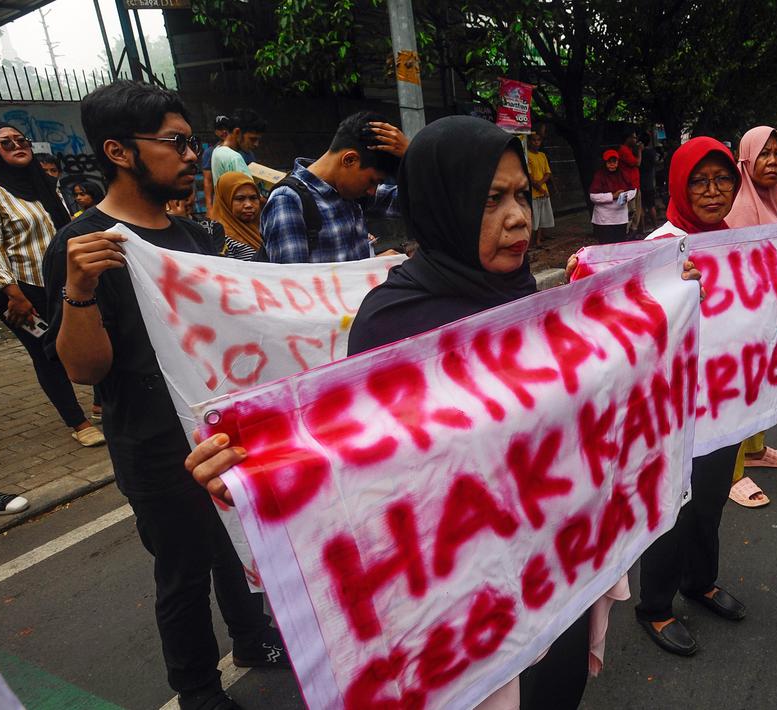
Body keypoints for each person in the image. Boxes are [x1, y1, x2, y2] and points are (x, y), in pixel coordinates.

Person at [188, 115, 638, 710]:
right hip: (463, 593)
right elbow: (357, 466)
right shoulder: (392, 323)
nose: (518, 218)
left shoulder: (527, 298)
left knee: (558, 688)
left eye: (521, 195)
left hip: (555, 559)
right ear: (442, 204)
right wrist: (259, 480)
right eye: (491, 200)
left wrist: (660, 310)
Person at [42, 81, 288, 710]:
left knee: (233, 547)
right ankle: (198, 691)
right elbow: (85, 369)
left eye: (191, 141)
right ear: (119, 151)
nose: (191, 155)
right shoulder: (82, 246)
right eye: (176, 142)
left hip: (216, 435)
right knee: (183, 573)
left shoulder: (196, 237)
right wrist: (79, 290)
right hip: (151, 445)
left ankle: (252, 638)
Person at [631, 136, 748, 656]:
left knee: (711, 499)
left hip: (723, 402)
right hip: (671, 411)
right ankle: (655, 606)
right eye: (699, 181)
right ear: (679, 185)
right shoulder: (659, 247)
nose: (713, 190)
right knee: (672, 507)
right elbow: (628, 323)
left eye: (723, 179)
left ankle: (700, 582)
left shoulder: (737, 244)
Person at [0, 122, 104, 450]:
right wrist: (13, 294)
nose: (17, 145)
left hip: (61, 281)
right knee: (47, 354)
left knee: (92, 334)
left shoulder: (44, 184)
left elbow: (64, 228)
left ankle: (101, 404)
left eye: (21, 139)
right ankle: (78, 422)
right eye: (6, 143)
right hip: (20, 291)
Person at [724, 126, 777, 507]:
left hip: (769, 320)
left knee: (761, 385)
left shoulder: (775, 204)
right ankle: (731, 473)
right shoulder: (738, 211)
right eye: (763, 154)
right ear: (746, 159)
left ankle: (753, 448)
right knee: (739, 392)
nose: (772, 161)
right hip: (742, 326)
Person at [258, 111, 408, 263]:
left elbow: (415, 200)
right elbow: (294, 277)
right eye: (372, 181)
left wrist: (410, 152)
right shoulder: (288, 201)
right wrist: (371, 265)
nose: (372, 191)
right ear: (349, 160)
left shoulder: (352, 193)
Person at [210, 172, 263, 260]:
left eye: (253, 198)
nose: (249, 205)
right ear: (225, 201)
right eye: (240, 199)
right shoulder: (221, 240)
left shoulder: (264, 232)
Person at [209, 109, 265, 189]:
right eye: (252, 139)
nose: (256, 144)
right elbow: (249, 192)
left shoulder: (217, 150)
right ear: (237, 132)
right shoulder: (234, 158)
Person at [588, 149, 635, 244]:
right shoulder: (600, 176)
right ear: (605, 163)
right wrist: (612, 196)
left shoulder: (623, 174)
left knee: (620, 244)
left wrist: (623, 197)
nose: (612, 165)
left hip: (620, 218)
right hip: (604, 219)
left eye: (614, 162)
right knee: (606, 245)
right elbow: (593, 196)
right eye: (609, 162)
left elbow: (633, 190)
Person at [526, 131, 554, 245]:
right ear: (529, 141)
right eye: (534, 140)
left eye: (538, 140)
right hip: (533, 192)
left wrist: (541, 184)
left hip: (543, 191)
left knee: (542, 217)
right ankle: (529, 242)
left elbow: (548, 172)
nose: (536, 142)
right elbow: (529, 176)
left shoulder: (542, 155)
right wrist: (539, 187)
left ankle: (538, 240)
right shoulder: (527, 155)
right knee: (534, 218)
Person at [201, 114, 232, 213]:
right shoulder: (210, 152)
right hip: (221, 204)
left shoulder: (243, 151)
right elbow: (208, 181)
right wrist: (209, 207)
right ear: (215, 132)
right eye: (220, 129)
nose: (224, 131)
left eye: (226, 128)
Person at [617, 131, 642, 236]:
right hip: (628, 187)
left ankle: (633, 231)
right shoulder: (623, 150)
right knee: (631, 211)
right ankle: (626, 232)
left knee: (637, 211)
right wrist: (639, 151)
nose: (636, 140)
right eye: (634, 138)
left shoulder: (630, 150)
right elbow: (637, 163)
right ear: (628, 138)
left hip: (635, 185)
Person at [639, 134, 660, 231]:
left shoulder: (639, 153)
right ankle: (655, 226)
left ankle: (643, 228)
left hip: (640, 182)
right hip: (650, 182)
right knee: (651, 205)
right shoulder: (652, 152)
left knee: (641, 207)